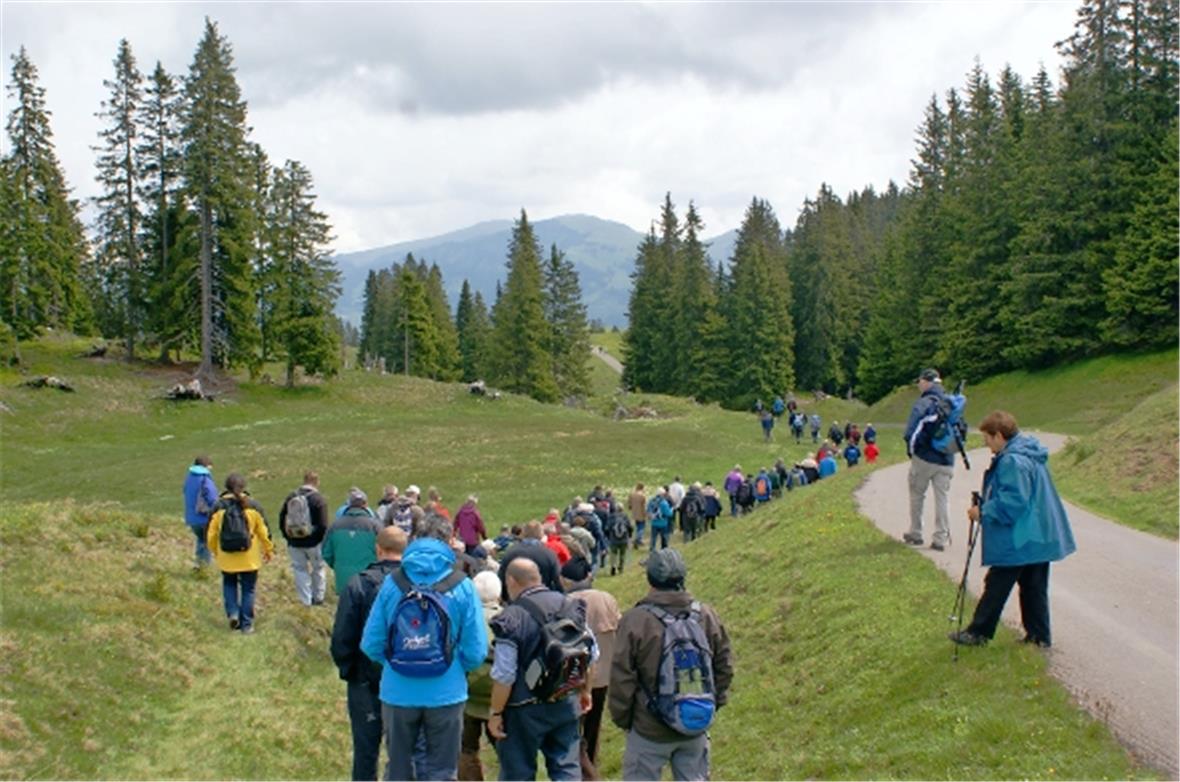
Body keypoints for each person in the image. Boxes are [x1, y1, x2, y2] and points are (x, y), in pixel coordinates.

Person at [360, 514, 488, 782]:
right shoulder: (462, 586)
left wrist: (397, 664)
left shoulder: (392, 583)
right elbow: (476, 651)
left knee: (398, 769)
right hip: (446, 692)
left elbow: (371, 643)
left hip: (397, 692)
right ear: (449, 541)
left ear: (414, 539)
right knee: (442, 771)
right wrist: (453, 666)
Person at [949, 411, 1077, 649]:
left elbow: (1014, 500)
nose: (986, 445)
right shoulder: (1028, 452)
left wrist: (983, 512)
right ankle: (1038, 636)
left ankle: (978, 633)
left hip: (1020, 535)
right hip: (1037, 534)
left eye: (987, 439)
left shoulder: (1012, 461)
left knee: (997, 582)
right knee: (1033, 585)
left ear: (998, 435)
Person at [609, 548, 734, 782]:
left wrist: (625, 720)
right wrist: (710, 703)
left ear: (650, 578)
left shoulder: (635, 620)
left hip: (648, 728)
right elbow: (725, 665)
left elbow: (621, 678)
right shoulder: (706, 614)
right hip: (695, 722)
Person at [487, 559, 594, 781]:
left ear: (510, 581)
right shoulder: (571, 606)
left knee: (518, 773)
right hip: (565, 696)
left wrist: (496, 713)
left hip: (523, 709)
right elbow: (590, 655)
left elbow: (504, 675)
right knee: (566, 768)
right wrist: (585, 691)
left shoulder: (511, 618)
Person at [331, 526, 408, 781]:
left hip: (365, 680)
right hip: (410, 679)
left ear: (378, 548)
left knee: (365, 752)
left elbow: (342, 638)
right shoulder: (418, 584)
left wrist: (349, 670)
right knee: (405, 753)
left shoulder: (359, 584)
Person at [561, 558, 620, 781]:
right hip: (603, 675)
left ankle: (578, 768)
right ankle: (590, 763)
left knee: (573, 727)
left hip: (573, 679)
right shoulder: (607, 599)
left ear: (565, 580)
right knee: (594, 724)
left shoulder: (564, 603)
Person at [207, 472, 274, 634]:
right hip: (249, 558)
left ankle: (233, 614)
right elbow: (264, 532)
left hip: (226, 557)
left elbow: (211, 534)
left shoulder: (218, 507)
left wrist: (215, 551)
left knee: (229, 585)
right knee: (248, 590)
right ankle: (247, 624)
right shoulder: (253, 506)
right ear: (244, 487)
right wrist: (268, 550)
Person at [903, 368, 955, 551]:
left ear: (927, 382)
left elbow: (911, 432)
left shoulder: (924, 403)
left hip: (924, 457)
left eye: (920, 381)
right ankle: (940, 537)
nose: (918, 384)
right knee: (943, 499)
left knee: (917, 494)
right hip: (947, 458)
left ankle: (916, 532)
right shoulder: (950, 402)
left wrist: (912, 453)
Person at [460, 570, 504, 781]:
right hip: (500, 697)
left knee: (466, 749)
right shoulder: (510, 619)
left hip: (468, 695)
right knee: (506, 753)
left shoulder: (464, 620)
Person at [279, 471, 331, 606]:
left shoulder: (291, 497)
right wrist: (319, 540)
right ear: (317, 482)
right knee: (318, 569)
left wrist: (288, 537)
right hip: (314, 543)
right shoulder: (318, 499)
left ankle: (305, 600)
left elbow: (282, 519)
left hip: (294, 542)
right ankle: (318, 598)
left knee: (299, 569)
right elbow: (323, 524)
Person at [324, 488, 383, 597]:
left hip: (343, 580)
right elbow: (384, 552)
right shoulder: (376, 526)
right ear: (366, 505)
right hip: (369, 579)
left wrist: (338, 566)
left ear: (349, 504)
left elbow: (326, 553)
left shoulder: (335, 525)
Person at [497, 520, 564, 602]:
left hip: (516, 603)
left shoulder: (510, 553)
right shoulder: (549, 554)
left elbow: (501, 579)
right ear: (541, 535)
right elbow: (558, 582)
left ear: (523, 533)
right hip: (543, 603)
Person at [182, 455, 218, 568]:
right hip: (203, 517)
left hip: (191, 518)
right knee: (206, 541)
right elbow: (212, 499)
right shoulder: (205, 479)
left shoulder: (189, 478)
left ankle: (199, 564)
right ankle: (204, 568)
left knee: (201, 540)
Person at [604, 508, 633, 576]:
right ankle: (621, 567)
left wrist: (608, 537)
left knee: (613, 554)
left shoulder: (611, 517)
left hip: (613, 539)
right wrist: (630, 535)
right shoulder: (625, 517)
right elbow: (630, 527)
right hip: (624, 539)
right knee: (622, 554)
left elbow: (607, 528)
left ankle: (613, 566)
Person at [627, 484, 647, 550]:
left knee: (638, 527)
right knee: (641, 528)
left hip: (634, 514)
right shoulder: (643, 496)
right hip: (641, 514)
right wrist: (645, 514)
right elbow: (644, 507)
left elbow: (629, 506)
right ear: (642, 488)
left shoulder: (631, 495)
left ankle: (639, 540)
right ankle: (637, 539)